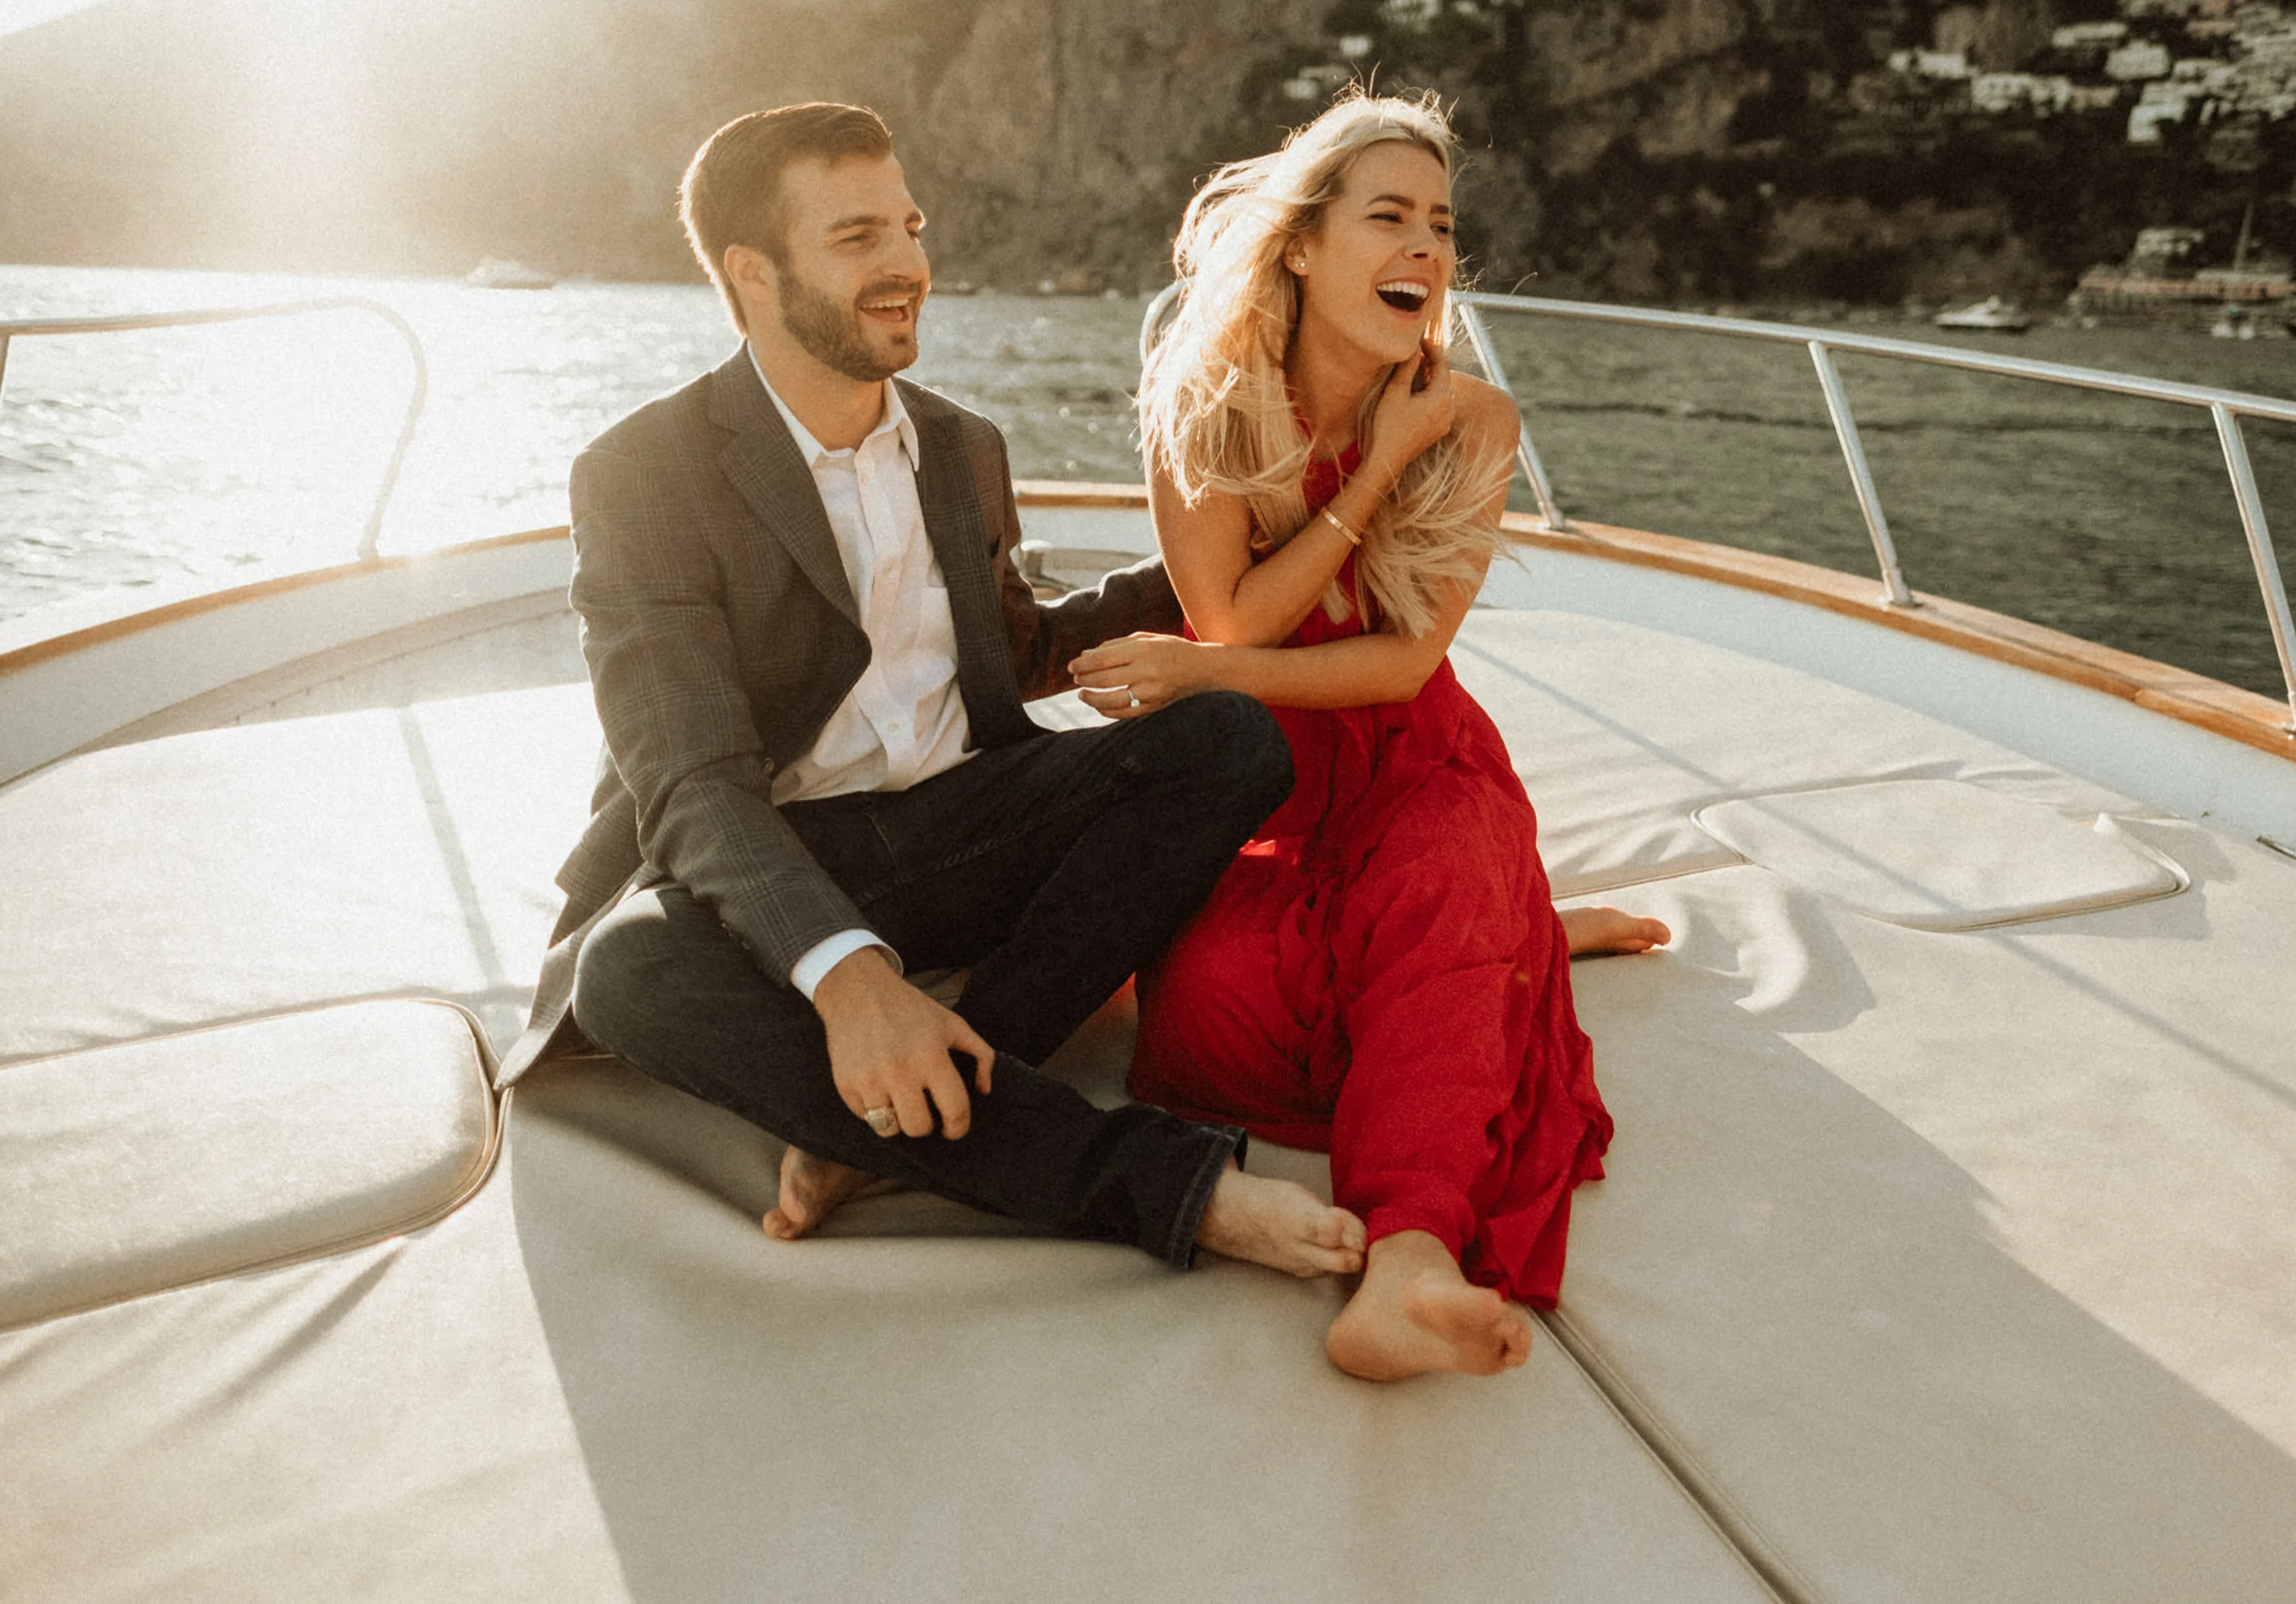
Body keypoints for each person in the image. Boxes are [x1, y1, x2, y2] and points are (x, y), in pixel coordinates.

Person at [516, 102, 1365, 1281]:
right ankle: (1158, 1184)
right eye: (859, 236)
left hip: (963, 824)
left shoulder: (963, 447)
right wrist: (852, 980)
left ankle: (898, 1118)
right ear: (753, 275)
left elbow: (1016, 655)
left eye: (909, 225)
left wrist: (1236, 553)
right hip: (777, 856)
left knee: (1225, 736)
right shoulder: (643, 475)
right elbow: (692, 787)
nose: (910, 262)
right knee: (629, 972)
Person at [1068, 92, 1669, 1380]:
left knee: (1443, 874)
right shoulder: (1204, 403)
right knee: (1200, 1026)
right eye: (1387, 217)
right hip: (1261, 794)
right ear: (1298, 243)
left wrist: (1391, 455)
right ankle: (1519, 934)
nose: (1425, 251)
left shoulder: (1476, 422)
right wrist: (1227, 634)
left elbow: (1403, 659)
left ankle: (1408, 1261)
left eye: (1441, 227)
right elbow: (1233, 616)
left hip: (1418, 770)